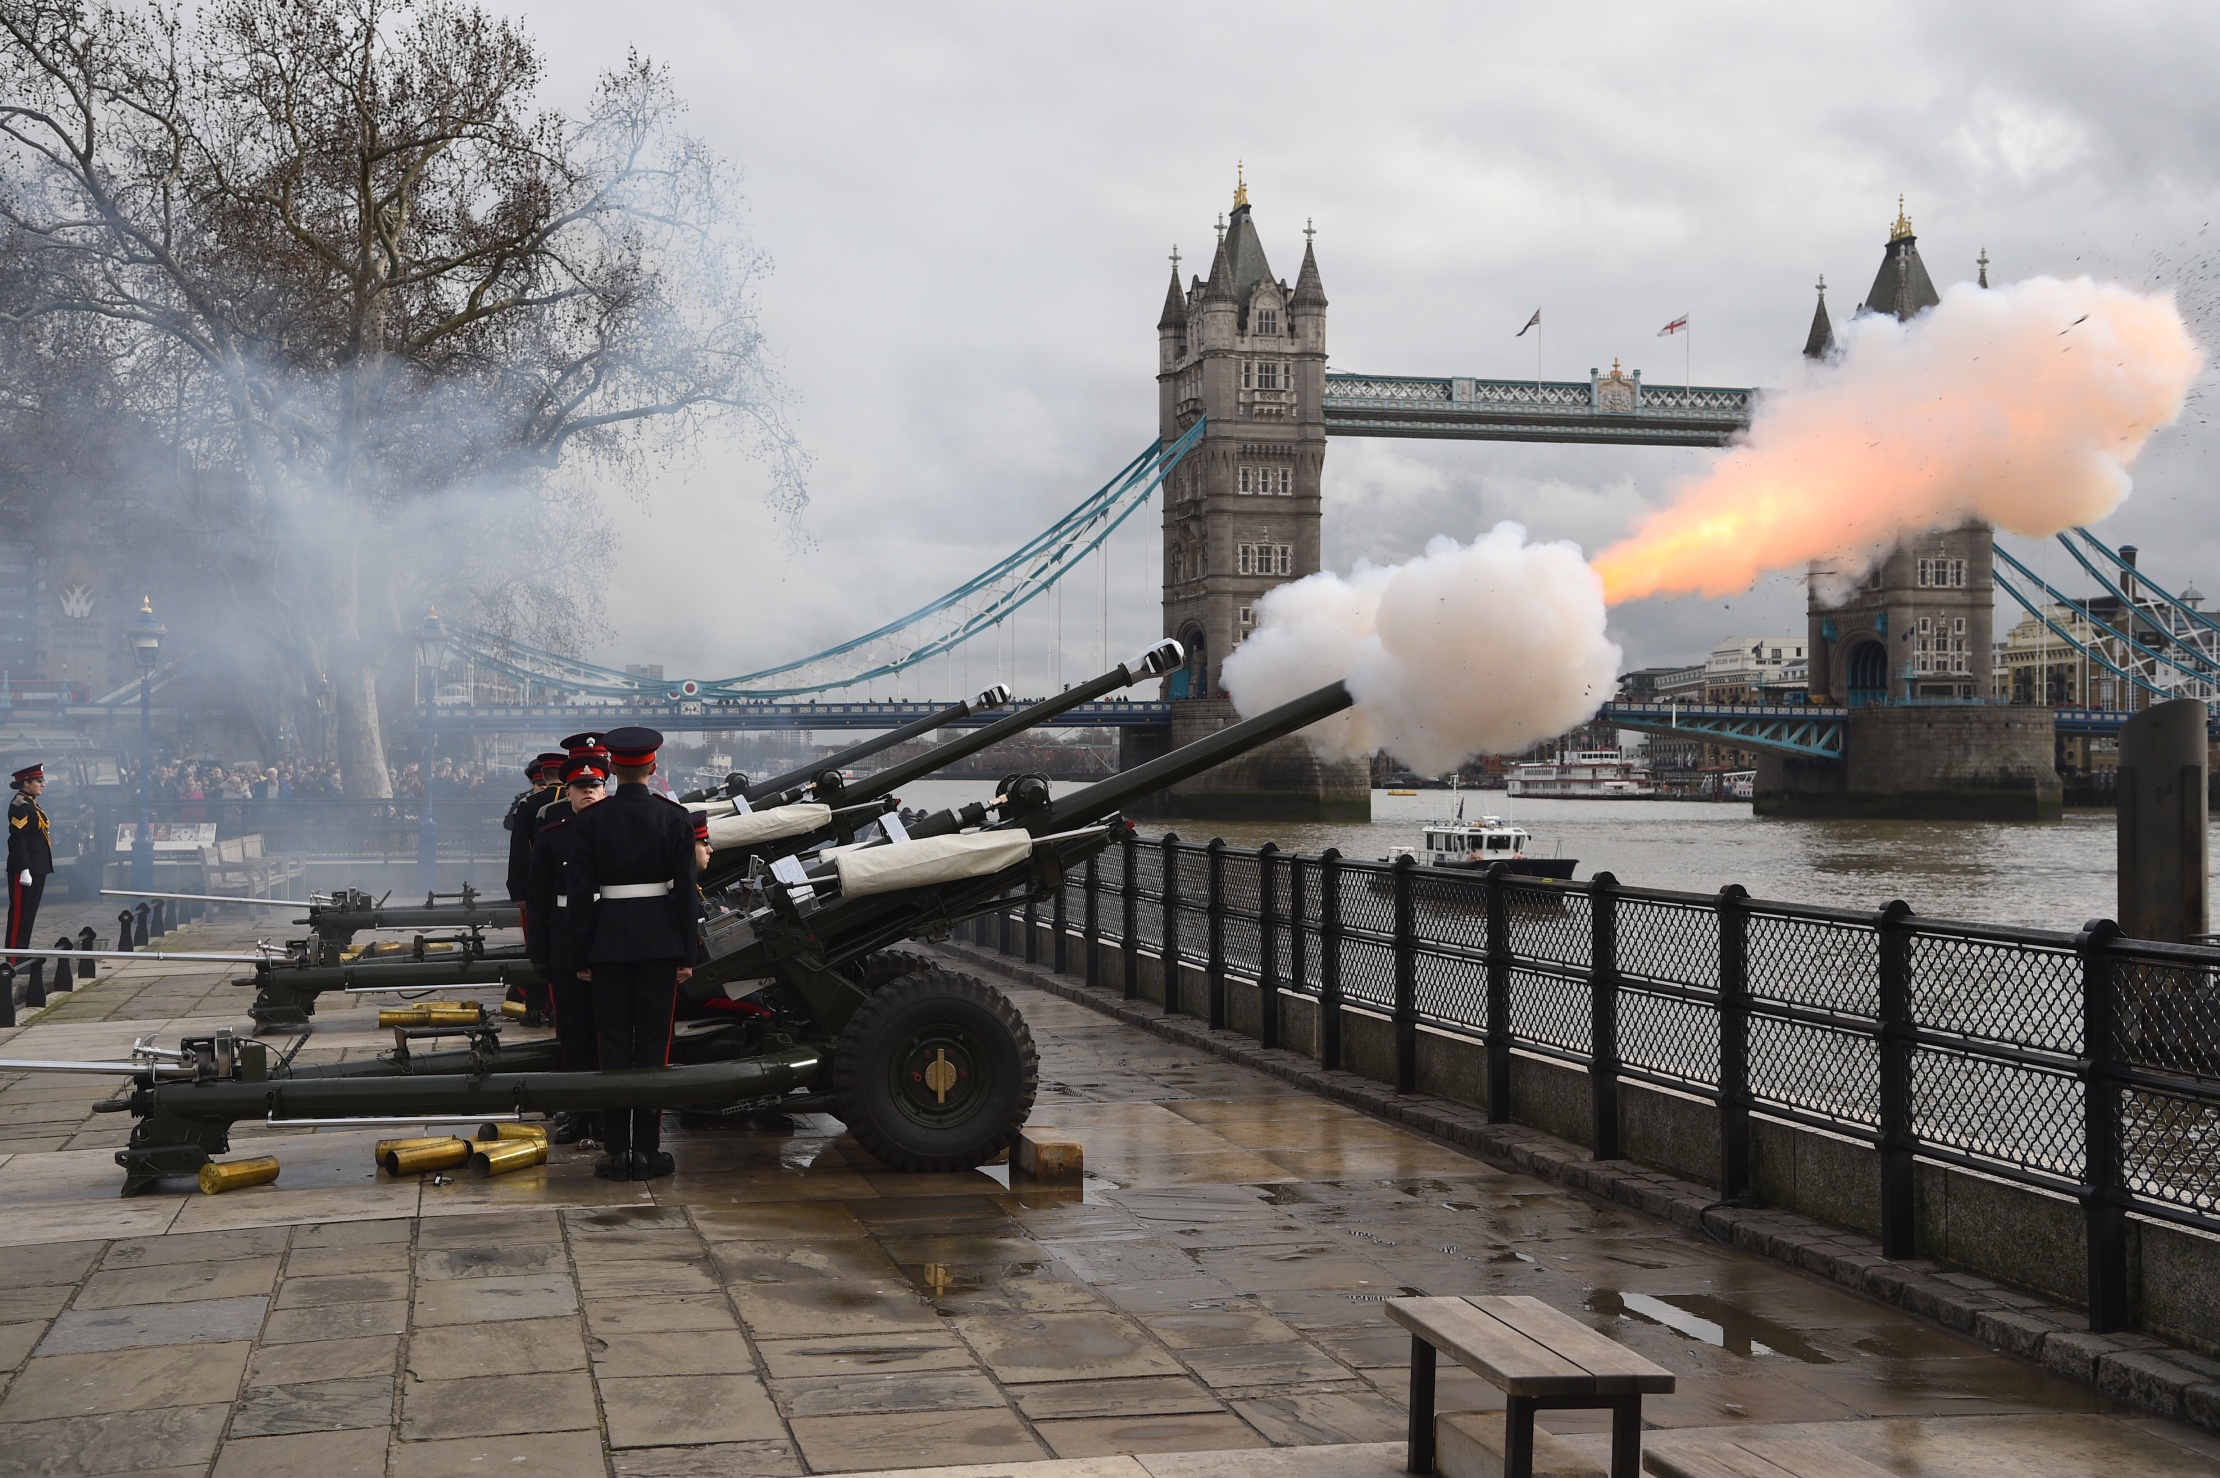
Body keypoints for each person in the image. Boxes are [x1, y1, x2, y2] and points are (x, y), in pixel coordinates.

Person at [572, 726, 698, 1181]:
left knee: (611, 1045)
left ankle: (614, 1150)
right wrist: (687, 954)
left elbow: (581, 894)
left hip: (606, 944)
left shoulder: (589, 821)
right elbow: (686, 895)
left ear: (611, 770)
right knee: (652, 1047)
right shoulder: (675, 817)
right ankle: (646, 1149)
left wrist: (582, 956)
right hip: (660, 943)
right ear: (654, 767)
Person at [523, 751, 609, 1145]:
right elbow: (538, 898)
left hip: (610, 941)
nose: (588, 793)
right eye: (581, 787)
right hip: (564, 941)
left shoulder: (618, 830)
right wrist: (539, 952)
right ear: (568, 792)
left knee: (610, 1030)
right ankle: (577, 1111)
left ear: (605, 788)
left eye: (594, 786)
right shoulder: (553, 835)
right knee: (572, 1032)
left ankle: (608, 1112)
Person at [6, 764, 52, 979]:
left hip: (36, 866)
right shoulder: (20, 805)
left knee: (30, 912)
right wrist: (24, 868)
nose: (42, 784)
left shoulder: (31, 804)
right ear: (26, 783)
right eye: (38, 781)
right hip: (25, 867)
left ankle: (22, 952)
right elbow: (18, 839)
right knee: (19, 913)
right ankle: (14, 958)